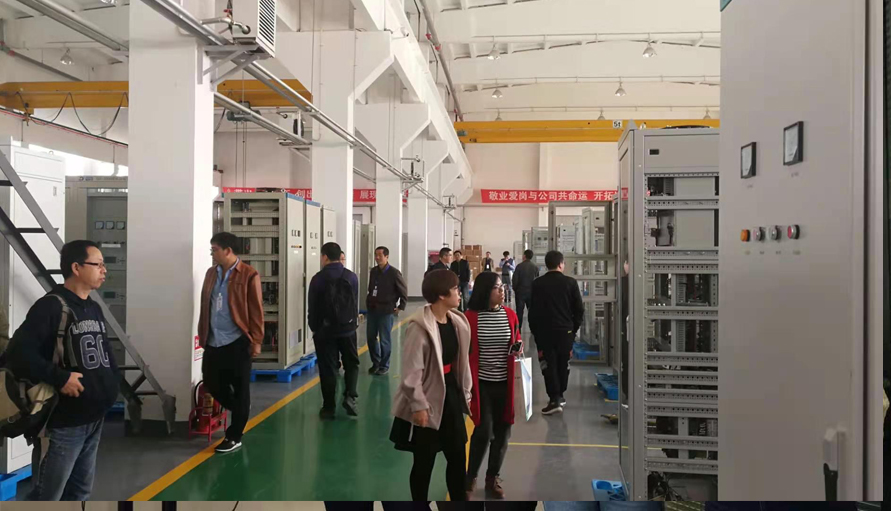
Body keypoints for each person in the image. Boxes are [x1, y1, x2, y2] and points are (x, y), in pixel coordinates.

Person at [5, 240, 119, 500]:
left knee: (79, 492)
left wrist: (112, 384)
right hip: (64, 423)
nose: (104, 270)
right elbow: (18, 354)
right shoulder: (51, 306)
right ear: (76, 268)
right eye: (97, 264)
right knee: (48, 496)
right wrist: (60, 378)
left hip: (94, 418)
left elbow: (105, 354)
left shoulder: (93, 307)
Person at [392, 269, 471, 501]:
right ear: (441, 295)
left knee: (457, 456)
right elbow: (411, 372)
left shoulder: (456, 321)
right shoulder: (419, 327)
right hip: (428, 397)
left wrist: (466, 391)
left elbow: (461, 362)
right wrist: (419, 405)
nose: (459, 293)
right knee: (424, 460)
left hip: (451, 395)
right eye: (455, 289)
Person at [197, 232, 264, 454]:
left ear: (228, 251)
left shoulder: (249, 274)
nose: (212, 253)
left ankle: (234, 436)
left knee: (240, 386)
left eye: (215, 249)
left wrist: (256, 340)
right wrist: (202, 333)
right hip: (213, 339)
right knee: (211, 381)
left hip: (237, 341)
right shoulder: (211, 274)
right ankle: (241, 408)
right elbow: (205, 305)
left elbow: (256, 310)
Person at [463, 272, 522, 500]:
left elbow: (515, 339)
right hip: (482, 384)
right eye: (497, 287)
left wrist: (518, 347)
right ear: (485, 290)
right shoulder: (470, 317)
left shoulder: (510, 315)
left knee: (503, 431)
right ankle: (470, 478)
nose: (502, 290)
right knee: (483, 430)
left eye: (502, 286)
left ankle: (492, 478)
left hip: (505, 384)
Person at [528, 250, 584, 415]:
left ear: (547, 265)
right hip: (565, 331)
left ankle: (554, 398)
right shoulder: (570, 283)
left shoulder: (537, 284)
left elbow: (532, 311)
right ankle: (560, 395)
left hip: (544, 332)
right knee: (563, 363)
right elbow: (579, 310)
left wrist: (535, 331)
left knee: (548, 364)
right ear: (560, 264)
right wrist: (573, 329)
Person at [309, 242, 360, 420]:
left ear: (324, 257)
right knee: (351, 364)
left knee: (328, 369)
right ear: (340, 256)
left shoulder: (317, 279)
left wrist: (315, 328)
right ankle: (350, 396)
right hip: (348, 330)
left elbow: (313, 308)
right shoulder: (351, 277)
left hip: (325, 332)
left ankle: (329, 407)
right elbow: (354, 303)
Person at [366, 246, 408, 376]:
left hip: (386, 310)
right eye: (376, 255)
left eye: (380, 255)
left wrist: (401, 306)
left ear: (387, 256)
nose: (377, 257)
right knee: (371, 337)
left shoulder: (394, 273)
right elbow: (371, 288)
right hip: (373, 310)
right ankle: (376, 362)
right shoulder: (374, 271)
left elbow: (403, 291)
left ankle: (384, 365)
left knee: (384, 339)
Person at [512, 250, 539, 331]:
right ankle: (533, 328)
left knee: (519, 311)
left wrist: (516, 289)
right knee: (531, 311)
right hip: (531, 292)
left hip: (520, 292)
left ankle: (518, 328)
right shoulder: (535, 267)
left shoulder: (519, 266)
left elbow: (515, 279)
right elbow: (537, 280)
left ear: (524, 256)